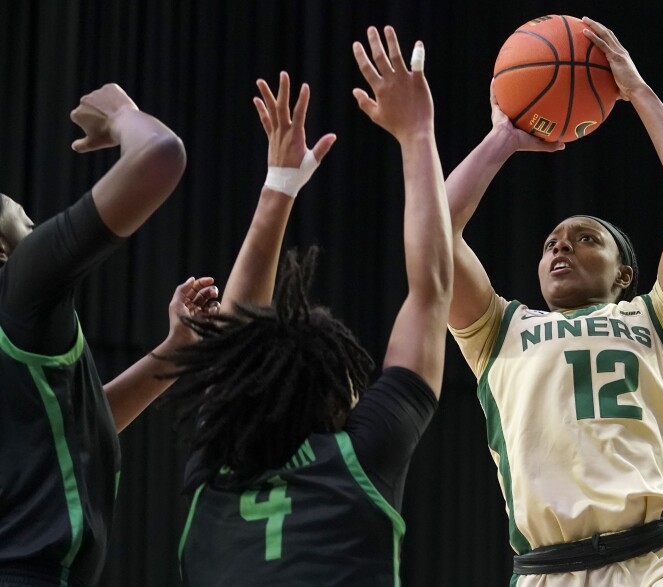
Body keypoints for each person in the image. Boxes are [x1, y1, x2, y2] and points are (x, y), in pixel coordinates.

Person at [446, 17, 663, 587]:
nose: (562, 245)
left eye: (586, 238)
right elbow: (434, 235)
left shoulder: (655, 319)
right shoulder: (499, 329)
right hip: (552, 571)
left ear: (626, 274)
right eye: (551, 243)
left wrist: (637, 92)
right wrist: (503, 139)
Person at [165, 25, 452, 586]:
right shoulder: (361, 458)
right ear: (340, 397)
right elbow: (431, 289)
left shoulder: (217, 467)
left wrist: (279, 185)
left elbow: (238, 344)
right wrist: (417, 134)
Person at [0, 86, 220, 587]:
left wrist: (174, 352)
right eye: (28, 223)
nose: (38, 231)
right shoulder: (19, 287)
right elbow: (161, 155)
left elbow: (65, 430)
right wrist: (122, 114)